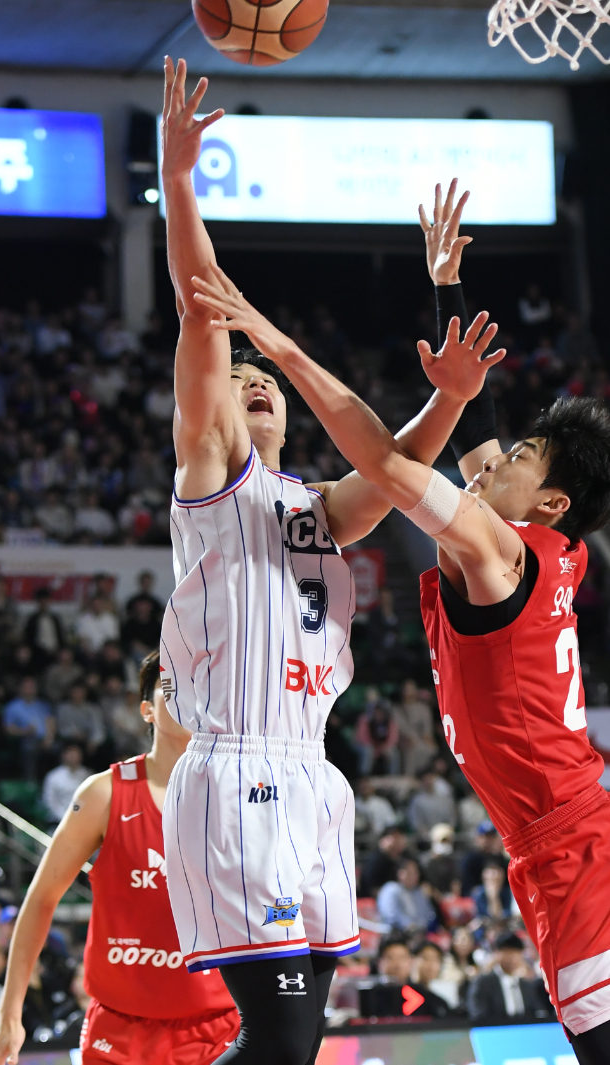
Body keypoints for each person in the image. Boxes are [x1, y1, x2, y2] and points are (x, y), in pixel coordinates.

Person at [194, 179, 610, 1060]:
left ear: (552, 500)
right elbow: (478, 439)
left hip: (575, 847)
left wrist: (274, 343)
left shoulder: (499, 551)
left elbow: (383, 460)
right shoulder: (543, 546)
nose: (492, 462)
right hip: (558, 839)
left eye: (519, 459)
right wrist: (448, 289)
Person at [159, 59, 482, 1065]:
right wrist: (177, 182)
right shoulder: (215, 480)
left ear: (290, 418)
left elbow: (396, 471)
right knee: (284, 1033)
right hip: (236, 773)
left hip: (312, 778)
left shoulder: (314, 507)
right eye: (240, 386)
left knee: (295, 1041)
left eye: (269, 387)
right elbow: (204, 314)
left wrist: (452, 397)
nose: (254, 387)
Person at [0, 651, 239, 1065]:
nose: (185, 700)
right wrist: (10, 1015)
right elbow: (41, 899)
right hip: (120, 1033)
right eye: (170, 689)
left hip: (218, 1030)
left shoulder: (242, 796)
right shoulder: (103, 794)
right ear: (146, 710)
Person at [468, 931, 551, 1024]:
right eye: (507, 952)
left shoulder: (526, 986)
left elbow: (540, 1014)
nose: (512, 958)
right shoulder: (483, 983)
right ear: (497, 953)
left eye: (516, 953)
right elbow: (479, 1016)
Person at [361, 934, 448, 1019]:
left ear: (411, 961)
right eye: (390, 958)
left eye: (402, 958)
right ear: (379, 963)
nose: (397, 965)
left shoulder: (426, 997)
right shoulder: (367, 997)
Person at [376, 858, 435, 933]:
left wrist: (422, 926)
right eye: (409, 872)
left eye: (415, 872)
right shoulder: (390, 889)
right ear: (400, 873)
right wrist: (407, 924)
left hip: (419, 933)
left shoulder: (419, 892)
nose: (413, 876)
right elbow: (390, 914)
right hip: (394, 933)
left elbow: (428, 913)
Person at [41, 743, 90, 826]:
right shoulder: (53, 776)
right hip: (58, 820)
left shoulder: (87, 776)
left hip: (82, 819)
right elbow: (50, 802)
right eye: (70, 754)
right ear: (64, 756)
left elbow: (90, 799)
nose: (73, 757)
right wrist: (65, 817)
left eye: (76, 754)